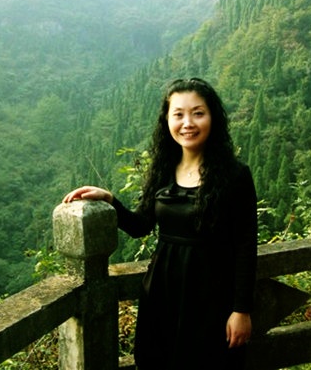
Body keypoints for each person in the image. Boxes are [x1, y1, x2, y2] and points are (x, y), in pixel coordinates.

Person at [63, 77, 258, 369]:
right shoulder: (164, 170)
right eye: (178, 114)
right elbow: (141, 225)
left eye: (198, 113)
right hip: (162, 295)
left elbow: (246, 246)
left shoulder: (235, 176)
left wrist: (241, 310)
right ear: (167, 121)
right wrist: (110, 200)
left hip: (212, 297)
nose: (187, 123)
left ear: (213, 118)